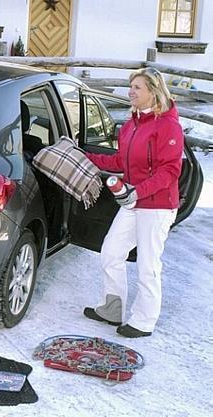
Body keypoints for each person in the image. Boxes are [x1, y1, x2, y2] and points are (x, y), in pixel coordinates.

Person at [83, 67, 183, 338]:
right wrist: (86, 157)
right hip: (133, 201)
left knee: (148, 264)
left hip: (158, 205)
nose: (131, 92)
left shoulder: (168, 125)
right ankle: (112, 308)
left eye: (137, 87)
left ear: (153, 91)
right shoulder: (131, 124)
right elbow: (119, 162)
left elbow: (170, 170)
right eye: (131, 87)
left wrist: (137, 191)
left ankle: (143, 321)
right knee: (111, 251)